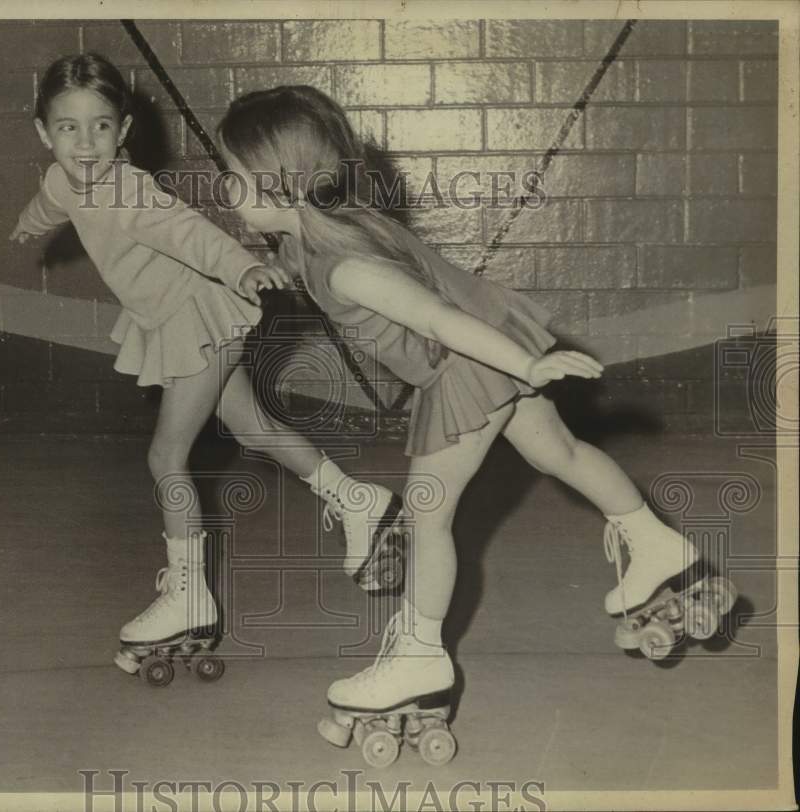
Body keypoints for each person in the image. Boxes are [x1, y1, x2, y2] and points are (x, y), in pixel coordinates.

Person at [216, 85, 699, 712]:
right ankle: (657, 542)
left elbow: (438, 319)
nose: (224, 191)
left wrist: (529, 363)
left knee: (425, 517)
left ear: (277, 185)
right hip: (487, 344)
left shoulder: (344, 265)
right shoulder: (329, 231)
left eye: (232, 177)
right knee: (559, 452)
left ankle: (419, 660)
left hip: (467, 364)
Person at [10, 56, 402, 675]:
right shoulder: (64, 181)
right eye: (68, 129)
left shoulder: (130, 190)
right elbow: (48, 202)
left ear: (125, 129)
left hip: (198, 318)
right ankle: (358, 502)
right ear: (43, 133)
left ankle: (189, 595)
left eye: (101, 127)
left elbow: (193, 235)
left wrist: (244, 268)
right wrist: (26, 225)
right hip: (171, 322)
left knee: (166, 457)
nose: (86, 145)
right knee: (254, 428)